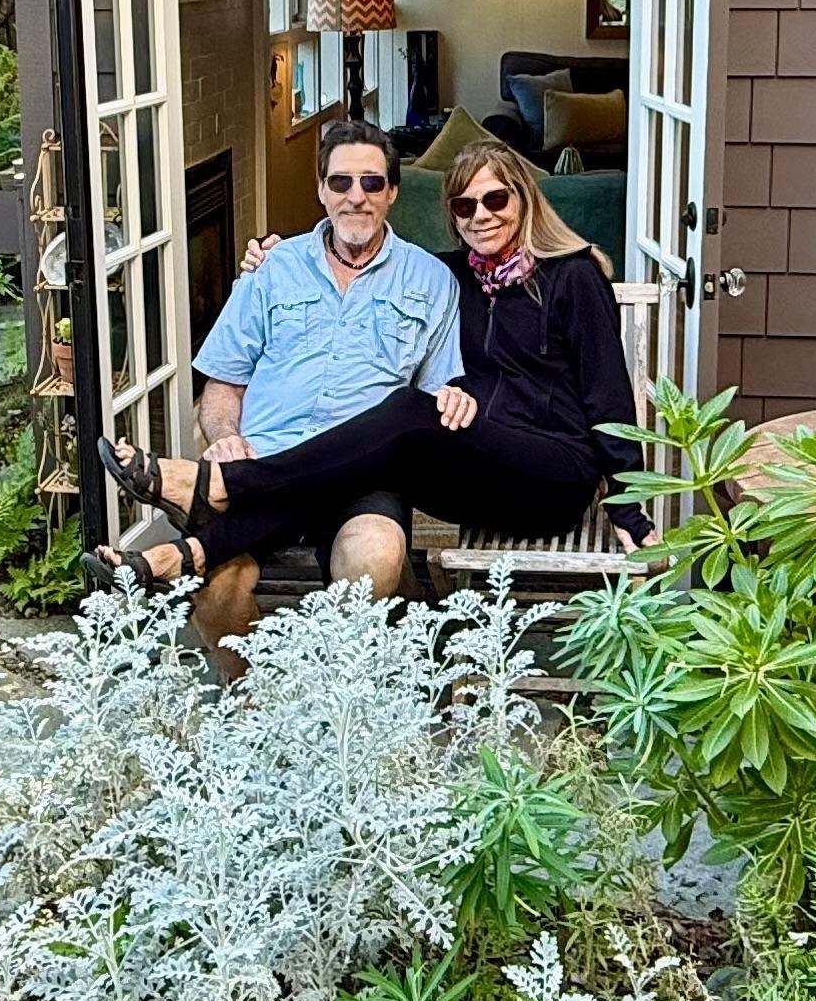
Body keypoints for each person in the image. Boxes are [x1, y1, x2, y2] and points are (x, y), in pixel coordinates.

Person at [98, 139, 636, 637]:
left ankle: (217, 494)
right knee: (369, 455)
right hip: (483, 469)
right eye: (465, 206)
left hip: (552, 476)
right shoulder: (455, 275)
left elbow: (609, 397)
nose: (482, 215)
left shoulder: (573, 276)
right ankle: (191, 551)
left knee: (404, 412)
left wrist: (630, 505)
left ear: (525, 199)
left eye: (495, 199)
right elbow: (380, 263)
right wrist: (268, 260)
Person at [86, 118, 460, 648]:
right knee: (217, 590)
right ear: (321, 190)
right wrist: (223, 436)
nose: (357, 197)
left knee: (374, 558)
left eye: (372, 182)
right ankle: (252, 705)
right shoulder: (272, 268)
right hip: (260, 455)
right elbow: (223, 382)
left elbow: (431, 399)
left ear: (393, 192)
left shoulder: (431, 280)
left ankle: (324, 691)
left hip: (364, 477)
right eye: (341, 182)